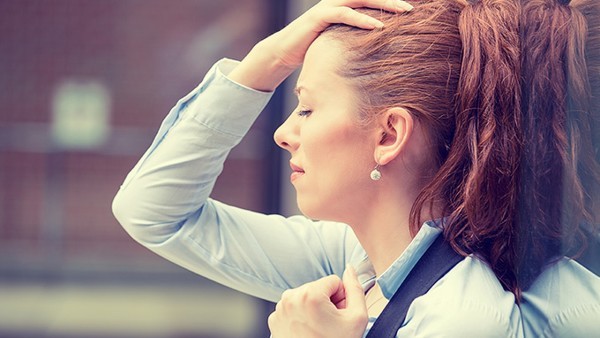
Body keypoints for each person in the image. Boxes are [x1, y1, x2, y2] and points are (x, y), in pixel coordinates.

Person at [112, 0, 600, 336]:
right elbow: (155, 212)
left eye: (305, 108)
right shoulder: (361, 259)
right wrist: (269, 57)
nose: (284, 133)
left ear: (388, 135)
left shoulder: (463, 320)